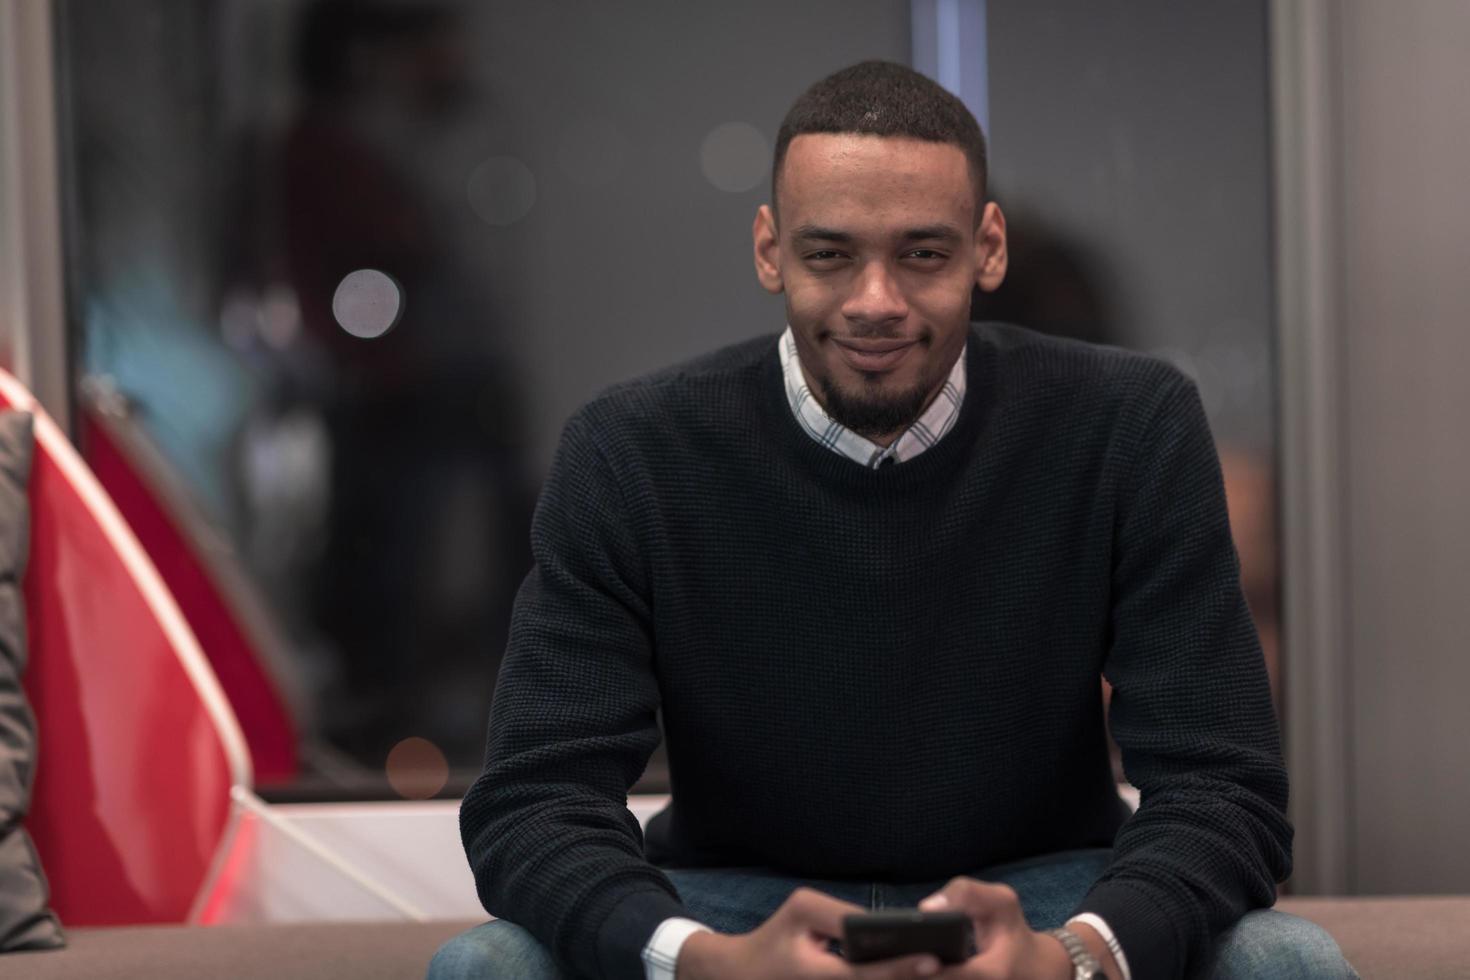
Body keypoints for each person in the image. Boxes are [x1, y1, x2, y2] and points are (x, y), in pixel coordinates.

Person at [430, 62, 1354, 980]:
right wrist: (703, 963)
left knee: (1286, 961)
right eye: (829, 254)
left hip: (1043, 896)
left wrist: (1075, 957)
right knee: (489, 967)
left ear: (987, 248)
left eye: (922, 253)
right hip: (730, 900)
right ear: (769, 250)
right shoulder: (632, 450)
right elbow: (535, 800)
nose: (876, 301)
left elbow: (1223, 786)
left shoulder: (1128, 425)